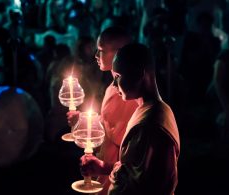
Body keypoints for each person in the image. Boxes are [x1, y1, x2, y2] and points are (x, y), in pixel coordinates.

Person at [80, 43, 180, 194]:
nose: (114, 84)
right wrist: (104, 167)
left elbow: (150, 186)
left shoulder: (151, 123)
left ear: (140, 74)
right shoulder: (148, 110)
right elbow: (133, 169)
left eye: (118, 77)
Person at [67, 26, 138, 194]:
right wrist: (83, 123)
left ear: (119, 53)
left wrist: (105, 168)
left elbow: (136, 157)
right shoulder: (112, 87)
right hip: (107, 173)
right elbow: (108, 124)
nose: (96, 56)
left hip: (122, 182)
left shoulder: (131, 96)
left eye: (101, 51)